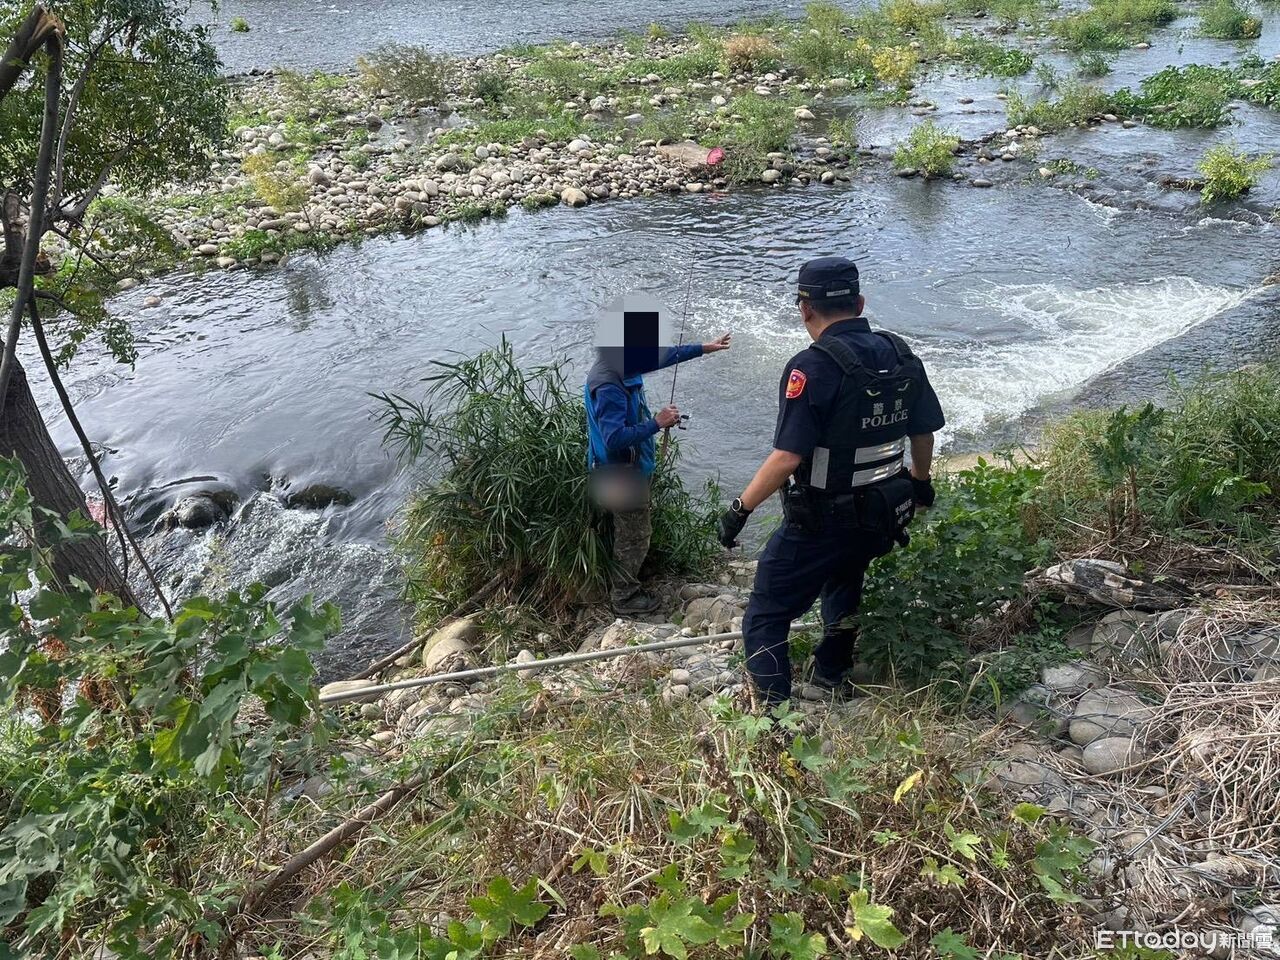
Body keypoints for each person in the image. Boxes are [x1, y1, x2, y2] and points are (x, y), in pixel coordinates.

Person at [717, 256, 945, 704]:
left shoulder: (811, 367)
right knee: (846, 579)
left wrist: (739, 510)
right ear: (859, 303)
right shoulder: (901, 354)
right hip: (882, 513)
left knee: (766, 613)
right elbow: (923, 434)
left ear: (805, 309)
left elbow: (787, 457)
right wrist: (920, 485)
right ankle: (831, 677)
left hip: (822, 521)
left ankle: (773, 717)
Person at [586, 331, 731, 614]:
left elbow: (665, 356)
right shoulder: (608, 385)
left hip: (623, 468)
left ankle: (623, 578)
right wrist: (657, 423)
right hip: (619, 475)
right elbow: (613, 438)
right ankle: (624, 598)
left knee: (628, 530)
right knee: (634, 536)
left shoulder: (619, 362)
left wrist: (704, 348)